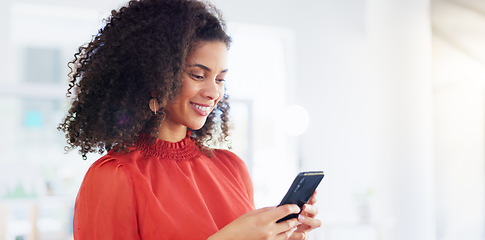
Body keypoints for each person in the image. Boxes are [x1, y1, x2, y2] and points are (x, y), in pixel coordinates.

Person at [58, 0, 321, 239]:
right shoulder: (115, 176)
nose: (214, 92)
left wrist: (285, 235)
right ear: (155, 76)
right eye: (198, 75)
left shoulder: (232, 169)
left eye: (220, 79)